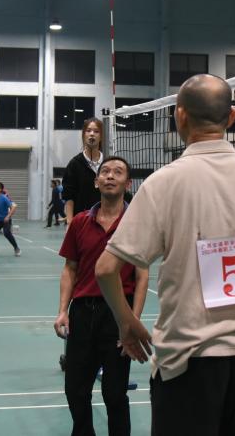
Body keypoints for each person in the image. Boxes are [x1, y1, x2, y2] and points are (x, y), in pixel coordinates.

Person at [96, 74, 235, 434]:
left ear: (180, 116)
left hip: (190, 358)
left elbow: (106, 269)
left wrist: (126, 322)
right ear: (232, 117)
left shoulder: (163, 183)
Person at [55, 156, 149, 436]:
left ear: (127, 183)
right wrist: (62, 311)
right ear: (96, 182)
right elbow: (70, 269)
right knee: (75, 389)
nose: (110, 176)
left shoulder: (137, 224)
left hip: (117, 314)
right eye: (105, 171)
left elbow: (142, 276)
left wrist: (132, 321)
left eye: (117, 172)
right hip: (83, 313)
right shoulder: (80, 222)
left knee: (115, 393)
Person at [63, 118, 104, 225]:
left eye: (96, 131)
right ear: (83, 135)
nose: (92, 134)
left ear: (101, 136)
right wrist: (69, 222)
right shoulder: (74, 164)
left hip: (104, 222)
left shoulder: (108, 163)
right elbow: (69, 196)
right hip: (81, 222)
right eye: (88, 130)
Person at [0, 181, 21, 256]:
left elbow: (13, 207)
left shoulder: (4, 198)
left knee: (7, 233)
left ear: (0, 189)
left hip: (5, 220)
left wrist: (8, 216)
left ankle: (16, 248)